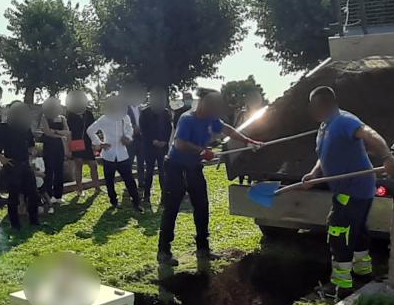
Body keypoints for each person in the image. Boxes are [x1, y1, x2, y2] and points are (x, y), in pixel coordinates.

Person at [300, 87, 394, 299]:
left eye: (313, 105)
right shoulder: (325, 126)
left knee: (338, 230)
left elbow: (370, 134)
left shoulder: (344, 121)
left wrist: (387, 157)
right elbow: (325, 154)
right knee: (358, 229)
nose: (311, 110)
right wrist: (314, 173)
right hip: (350, 188)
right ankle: (363, 273)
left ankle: (342, 286)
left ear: (324, 104)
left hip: (354, 189)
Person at [157, 90, 263, 265]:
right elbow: (180, 143)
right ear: (203, 103)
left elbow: (227, 129)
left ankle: (203, 250)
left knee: (202, 206)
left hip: (194, 167)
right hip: (177, 167)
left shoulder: (211, 118)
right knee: (172, 207)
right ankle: (164, 252)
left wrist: (247, 141)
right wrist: (202, 151)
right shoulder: (187, 119)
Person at [0, 102, 42, 230]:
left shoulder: (25, 128)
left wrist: (32, 152)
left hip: (25, 163)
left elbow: (31, 145)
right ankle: (14, 223)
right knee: (14, 195)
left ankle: (34, 221)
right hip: (12, 165)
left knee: (33, 193)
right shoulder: (3, 128)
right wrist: (2, 159)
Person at [88, 94, 142, 211]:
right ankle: (114, 201)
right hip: (109, 154)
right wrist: (100, 143)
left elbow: (130, 129)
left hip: (123, 154)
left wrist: (128, 138)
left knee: (129, 179)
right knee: (109, 181)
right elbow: (90, 130)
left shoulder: (125, 117)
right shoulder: (104, 118)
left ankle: (136, 202)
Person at [137, 90, 172, 208]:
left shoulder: (165, 113)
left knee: (163, 173)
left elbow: (169, 128)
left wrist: (164, 141)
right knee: (149, 172)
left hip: (163, 148)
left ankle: (164, 197)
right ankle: (146, 196)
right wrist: (153, 140)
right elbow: (143, 130)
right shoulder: (144, 113)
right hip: (149, 147)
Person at [38, 97, 70, 209]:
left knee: (59, 170)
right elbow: (47, 132)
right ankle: (49, 195)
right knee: (49, 170)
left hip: (59, 146)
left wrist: (56, 132)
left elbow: (67, 132)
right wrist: (60, 135)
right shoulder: (44, 117)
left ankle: (58, 195)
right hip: (49, 146)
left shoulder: (62, 118)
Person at [65, 91, 100, 196]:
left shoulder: (88, 114)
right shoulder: (70, 115)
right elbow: (68, 132)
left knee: (93, 165)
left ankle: (97, 187)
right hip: (76, 142)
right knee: (79, 164)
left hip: (88, 143)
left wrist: (95, 143)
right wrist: (69, 147)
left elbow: (93, 129)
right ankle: (79, 189)